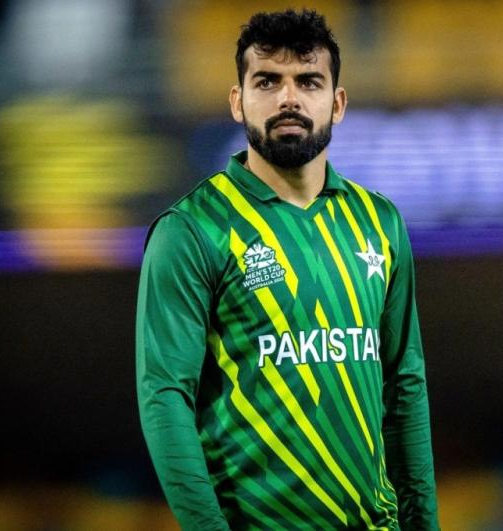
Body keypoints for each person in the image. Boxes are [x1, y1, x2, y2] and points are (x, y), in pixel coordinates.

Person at [136, 9, 439, 530]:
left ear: (337, 103)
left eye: (309, 81)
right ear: (238, 101)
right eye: (268, 81)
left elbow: (404, 385)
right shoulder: (191, 231)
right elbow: (164, 397)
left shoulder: (380, 222)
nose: (288, 99)